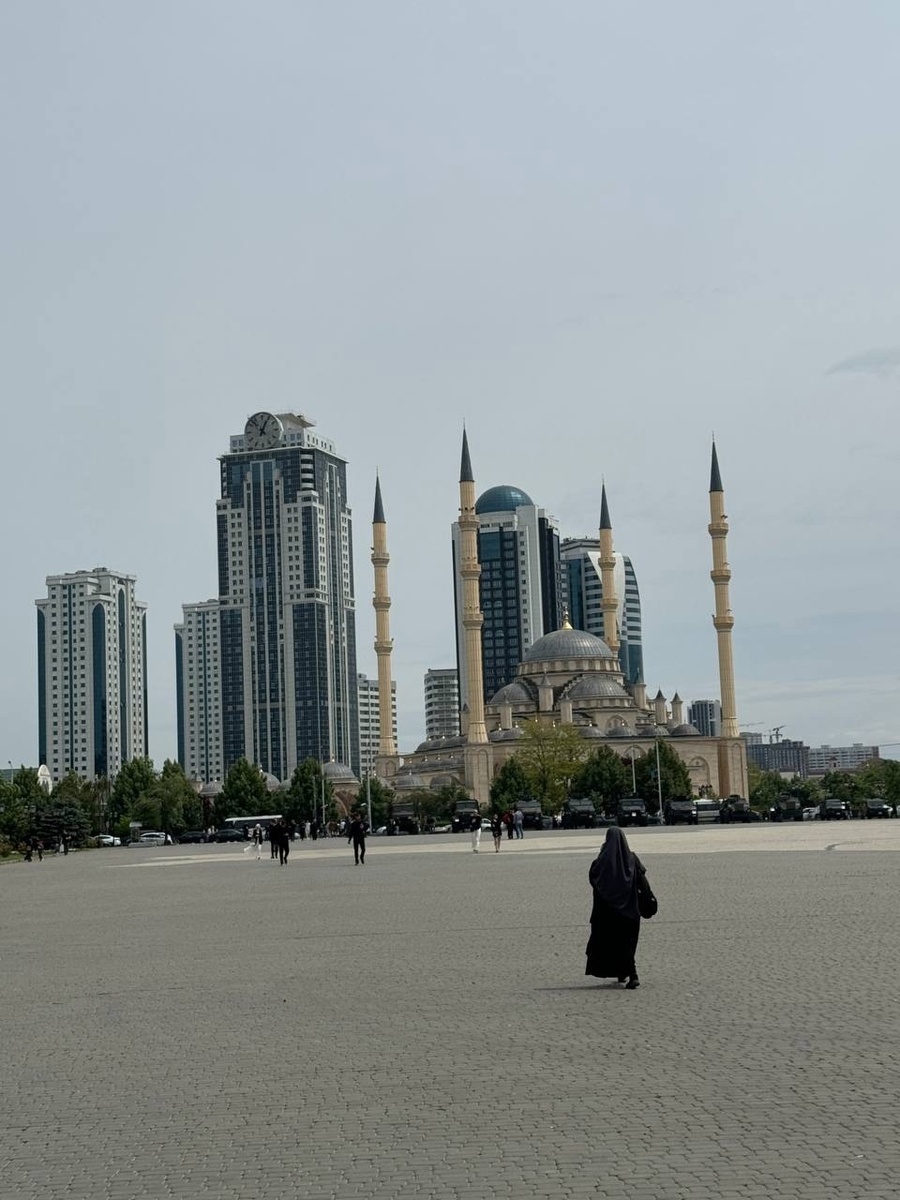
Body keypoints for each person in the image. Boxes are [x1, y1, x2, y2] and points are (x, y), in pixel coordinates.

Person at [585, 827, 649, 989]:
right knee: (627, 943)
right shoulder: (632, 859)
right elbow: (642, 882)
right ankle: (629, 973)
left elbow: (593, 880)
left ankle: (628, 973)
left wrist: (602, 854)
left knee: (613, 943)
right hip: (630, 910)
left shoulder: (600, 863)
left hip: (607, 913)